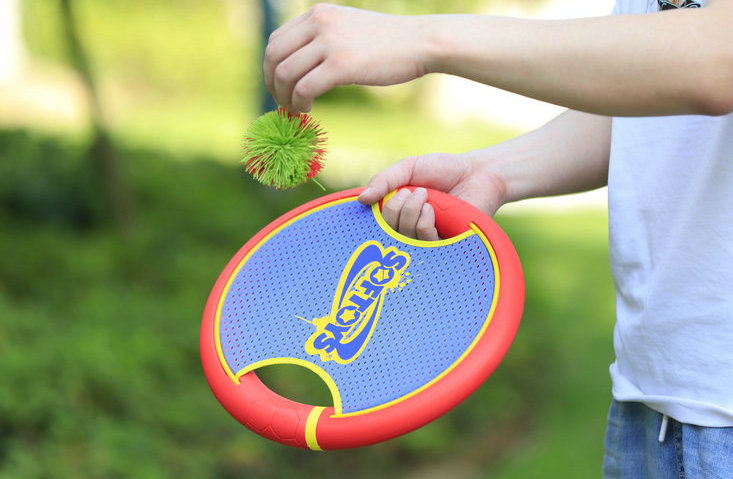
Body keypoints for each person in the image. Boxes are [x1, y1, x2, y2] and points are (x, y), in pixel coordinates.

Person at [263, 1, 732, 476]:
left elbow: (718, 58)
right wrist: (493, 173)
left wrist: (423, 39)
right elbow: (650, 89)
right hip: (653, 397)